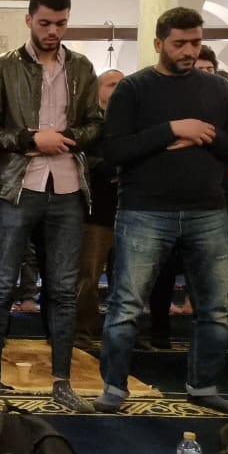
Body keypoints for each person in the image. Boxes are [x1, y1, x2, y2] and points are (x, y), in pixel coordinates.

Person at [93, 8, 228, 415]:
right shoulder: (133, 89)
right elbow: (114, 151)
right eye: (179, 43)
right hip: (144, 210)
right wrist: (172, 130)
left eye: (195, 43)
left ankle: (204, 386)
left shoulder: (217, 90)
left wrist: (205, 135)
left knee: (213, 309)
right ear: (158, 43)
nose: (188, 51)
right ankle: (114, 387)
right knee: (126, 306)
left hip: (207, 211)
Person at [0, 0, 103, 413]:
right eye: (45, 23)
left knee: (64, 289)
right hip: (18, 186)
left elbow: (95, 125)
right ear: (29, 19)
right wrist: (32, 139)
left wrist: (65, 138)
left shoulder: (82, 67)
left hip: (67, 187)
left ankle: (61, 382)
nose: (53, 31)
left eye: (61, 23)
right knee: (0, 286)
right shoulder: (5, 67)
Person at [75, 68, 123, 344]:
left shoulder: (133, 121)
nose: (118, 89)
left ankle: (120, 332)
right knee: (89, 276)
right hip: (97, 210)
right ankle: (83, 329)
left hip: (130, 210)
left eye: (122, 84)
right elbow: (86, 163)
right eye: (112, 84)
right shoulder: (90, 125)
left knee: (125, 279)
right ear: (97, 91)